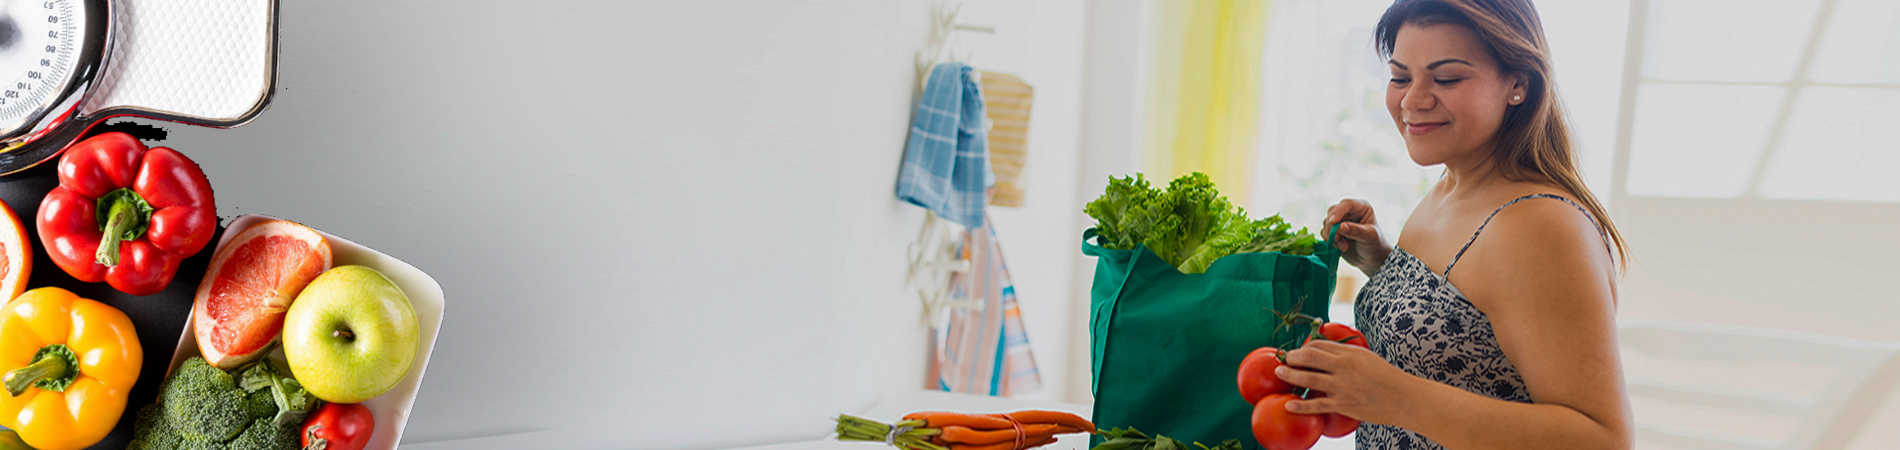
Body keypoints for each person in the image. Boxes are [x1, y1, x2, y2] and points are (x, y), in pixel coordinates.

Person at [1276, 0, 1633, 449]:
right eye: (1400, 77)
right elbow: (1469, 330)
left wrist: (1395, 397)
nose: (1412, 100)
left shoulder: (1542, 225)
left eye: (1446, 78)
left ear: (1518, 84)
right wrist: (1384, 265)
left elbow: (1603, 440)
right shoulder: (1452, 183)